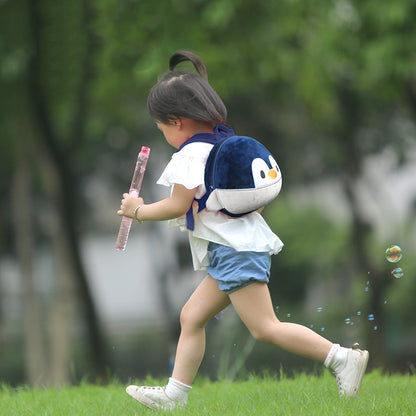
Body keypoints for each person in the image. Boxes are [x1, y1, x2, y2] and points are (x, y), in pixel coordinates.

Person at [117, 50, 369, 411]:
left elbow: (176, 205)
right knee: (191, 316)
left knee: (265, 327)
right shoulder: (224, 147)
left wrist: (136, 210)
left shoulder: (188, 156)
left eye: (161, 127)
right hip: (234, 248)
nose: (163, 135)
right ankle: (175, 395)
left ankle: (340, 357)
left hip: (234, 251)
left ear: (176, 122)